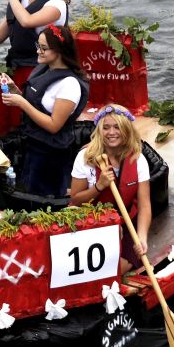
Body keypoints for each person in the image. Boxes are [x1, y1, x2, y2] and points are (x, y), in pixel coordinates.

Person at [0, 24, 89, 197]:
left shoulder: (69, 85)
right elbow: (37, 102)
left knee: (45, 197)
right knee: (30, 189)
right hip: (33, 143)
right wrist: (15, 91)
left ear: (60, 51)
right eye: (38, 46)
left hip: (51, 153)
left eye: (44, 48)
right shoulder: (45, 68)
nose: (38, 51)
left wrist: (21, 103)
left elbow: (54, 125)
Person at [70, 104, 151, 273]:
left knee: (119, 267)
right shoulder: (85, 158)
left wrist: (142, 237)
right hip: (91, 219)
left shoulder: (138, 159)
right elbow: (75, 200)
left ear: (126, 130)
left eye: (117, 127)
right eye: (106, 128)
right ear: (100, 130)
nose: (111, 133)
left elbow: (144, 205)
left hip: (126, 219)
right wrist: (99, 186)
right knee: (95, 269)